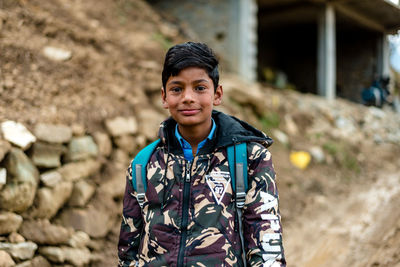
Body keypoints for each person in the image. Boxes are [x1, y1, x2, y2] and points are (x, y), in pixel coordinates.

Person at [118, 42, 286, 267]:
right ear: (164, 97)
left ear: (217, 94)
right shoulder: (143, 165)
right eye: (177, 89)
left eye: (199, 88)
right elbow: (127, 252)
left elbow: (267, 249)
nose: (188, 97)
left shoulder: (250, 160)